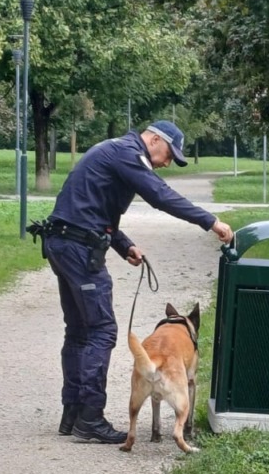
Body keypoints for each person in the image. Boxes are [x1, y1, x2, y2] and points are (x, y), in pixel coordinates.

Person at [34, 120, 234, 443]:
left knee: (79, 329)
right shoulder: (128, 154)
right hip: (78, 249)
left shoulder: (113, 151)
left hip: (64, 242)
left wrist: (122, 244)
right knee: (101, 330)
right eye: (169, 154)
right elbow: (160, 195)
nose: (167, 163)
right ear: (154, 139)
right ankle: (90, 417)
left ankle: (72, 413)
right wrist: (210, 221)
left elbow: (95, 208)